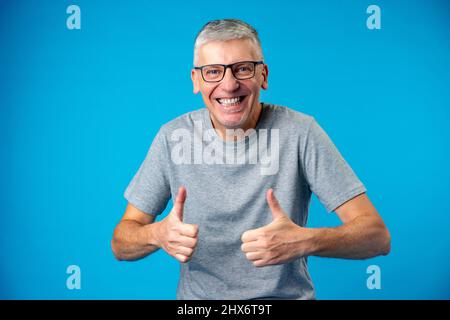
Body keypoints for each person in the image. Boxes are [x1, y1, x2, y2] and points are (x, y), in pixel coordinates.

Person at [111, 19, 391, 300]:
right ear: (196, 81)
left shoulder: (300, 132)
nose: (229, 84)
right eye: (213, 72)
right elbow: (121, 243)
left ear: (263, 75)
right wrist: (157, 234)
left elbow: (377, 237)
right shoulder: (172, 137)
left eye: (242, 69)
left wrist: (307, 241)